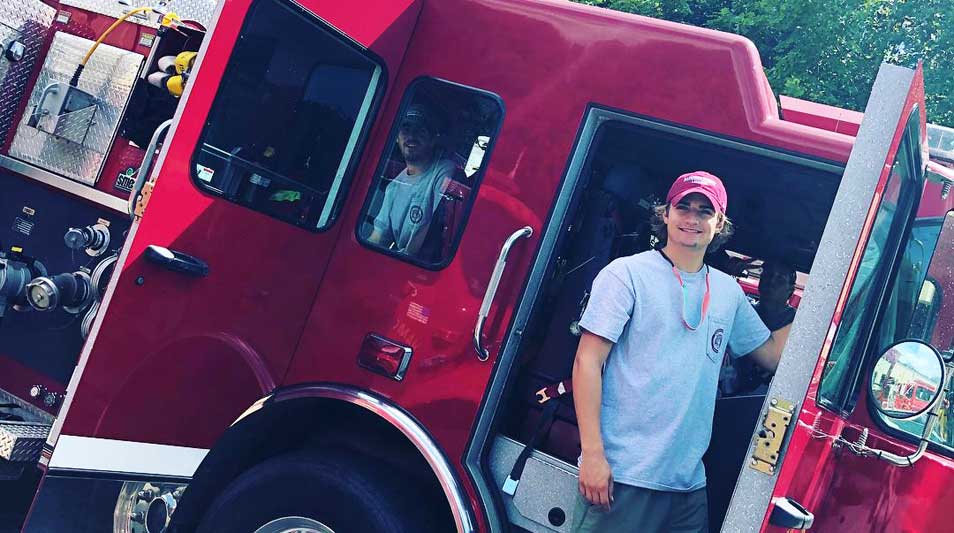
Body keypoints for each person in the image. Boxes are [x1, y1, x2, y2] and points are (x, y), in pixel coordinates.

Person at [571, 171, 785, 532]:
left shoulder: (728, 292)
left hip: (688, 488)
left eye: (705, 211)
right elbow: (587, 362)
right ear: (665, 214)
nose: (692, 218)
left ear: (719, 224)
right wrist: (592, 455)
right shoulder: (626, 274)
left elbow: (772, 354)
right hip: (624, 476)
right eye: (683, 206)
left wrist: (834, 306)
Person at [368, 104, 456, 259]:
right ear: (396, 138)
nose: (411, 136)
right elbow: (378, 237)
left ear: (432, 140)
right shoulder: (393, 187)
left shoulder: (444, 170)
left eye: (420, 130)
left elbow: (427, 233)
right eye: (406, 129)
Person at [753, 260, 797, 346]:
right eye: (767, 275)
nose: (771, 281)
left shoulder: (795, 321)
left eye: (780, 278)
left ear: (790, 291)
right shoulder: (746, 312)